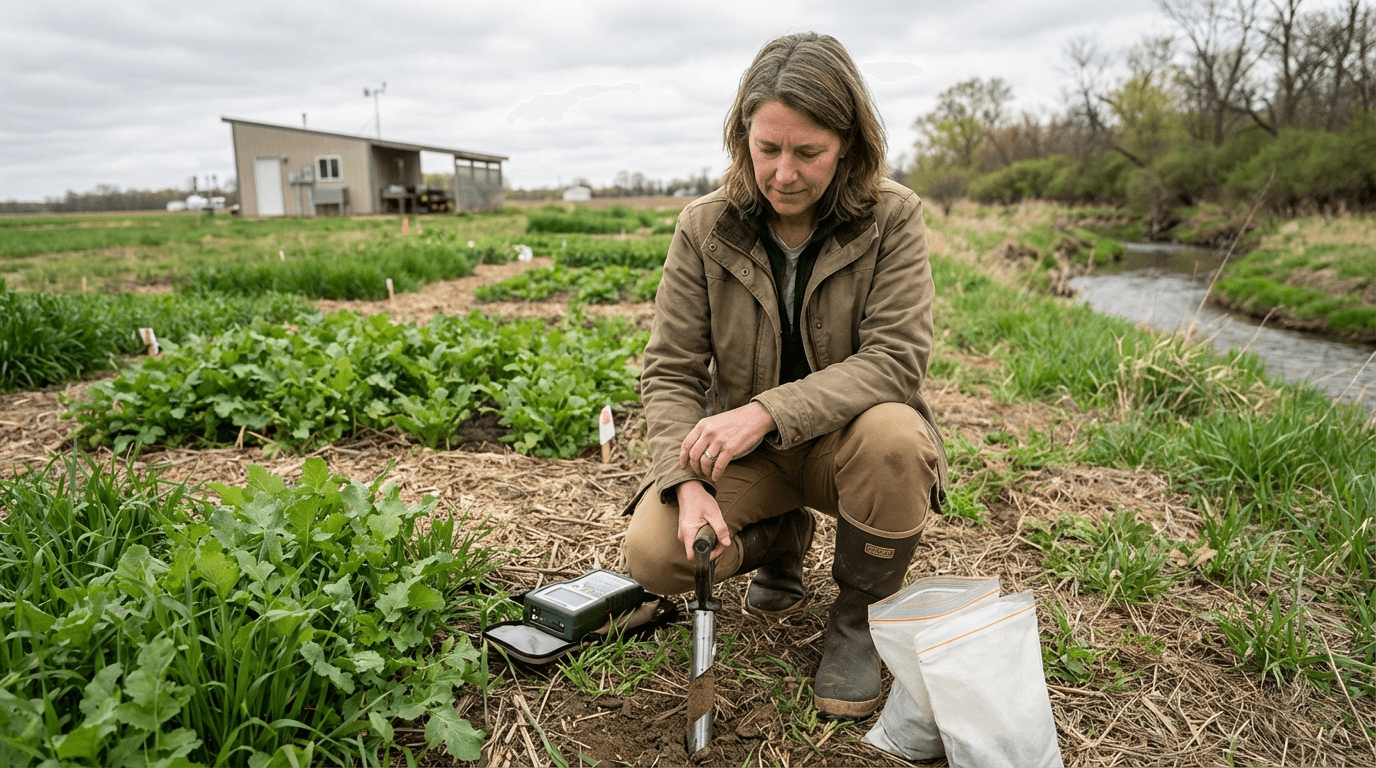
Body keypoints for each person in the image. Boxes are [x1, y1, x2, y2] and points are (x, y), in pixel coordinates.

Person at [621, 32, 948, 721]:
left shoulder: (893, 218)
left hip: (847, 446)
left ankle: (858, 617)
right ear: (742, 138)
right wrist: (684, 483)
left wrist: (767, 411)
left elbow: (894, 359)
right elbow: (672, 370)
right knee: (654, 556)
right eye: (767, 149)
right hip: (752, 457)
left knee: (897, 438)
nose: (784, 173)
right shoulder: (704, 227)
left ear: (848, 144)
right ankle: (780, 536)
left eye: (809, 152)